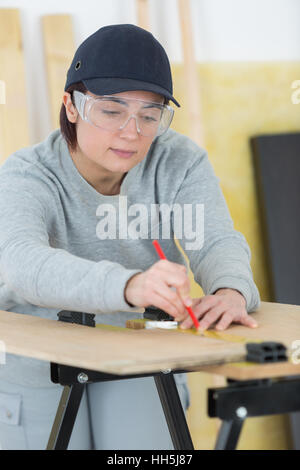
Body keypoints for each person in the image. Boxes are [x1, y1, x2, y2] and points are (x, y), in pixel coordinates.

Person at [0, 24, 260, 450]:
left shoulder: (179, 160)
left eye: (149, 114)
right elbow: (22, 264)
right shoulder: (27, 174)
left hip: (141, 347)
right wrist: (129, 285)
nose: (131, 131)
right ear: (71, 106)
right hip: (39, 362)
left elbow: (215, 240)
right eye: (111, 110)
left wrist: (231, 289)